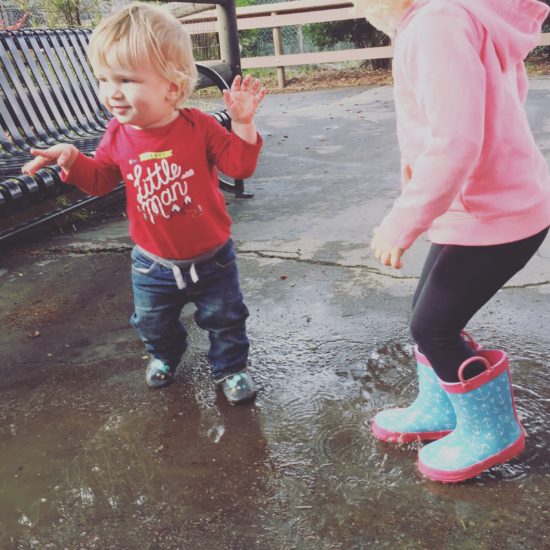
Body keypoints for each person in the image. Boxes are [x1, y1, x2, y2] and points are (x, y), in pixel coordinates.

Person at [22, 2, 266, 405]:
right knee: (153, 322)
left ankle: (230, 368)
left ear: (171, 86)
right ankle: (165, 355)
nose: (111, 92)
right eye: (103, 79)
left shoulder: (198, 127)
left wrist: (242, 124)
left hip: (213, 258)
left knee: (226, 320)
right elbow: (100, 180)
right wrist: (73, 160)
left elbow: (240, 164)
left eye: (126, 79)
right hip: (153, 262)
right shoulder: (117, 133)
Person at [356, 0, 550, 482]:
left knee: (433, 328)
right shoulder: (447, 17)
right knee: (427, 316)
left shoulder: (436, 23)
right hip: (479, 205)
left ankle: (494, 431)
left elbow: (457, 141)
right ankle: (441, 406)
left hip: (496, 214)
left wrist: (403, 220)